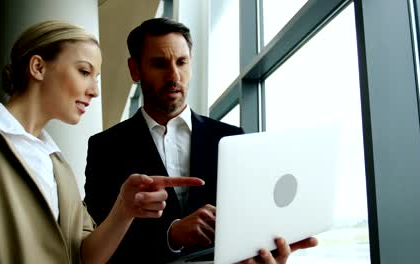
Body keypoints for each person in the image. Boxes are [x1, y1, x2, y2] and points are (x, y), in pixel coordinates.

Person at [0, 20, 205, 264]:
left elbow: (85, 257)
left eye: (96, 77)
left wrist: (124, 209)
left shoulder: (58, 168)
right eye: (84, 71)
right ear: (38, 67)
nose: (94, 91)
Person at [84, 17, 317, 264]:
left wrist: (266, 249)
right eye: (159, 63)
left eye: (182, 62)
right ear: (135, 69)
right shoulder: (104, 148)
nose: (174, 75)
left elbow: (250, 222)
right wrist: (171, 235)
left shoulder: (232, 138)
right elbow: (98, 241)